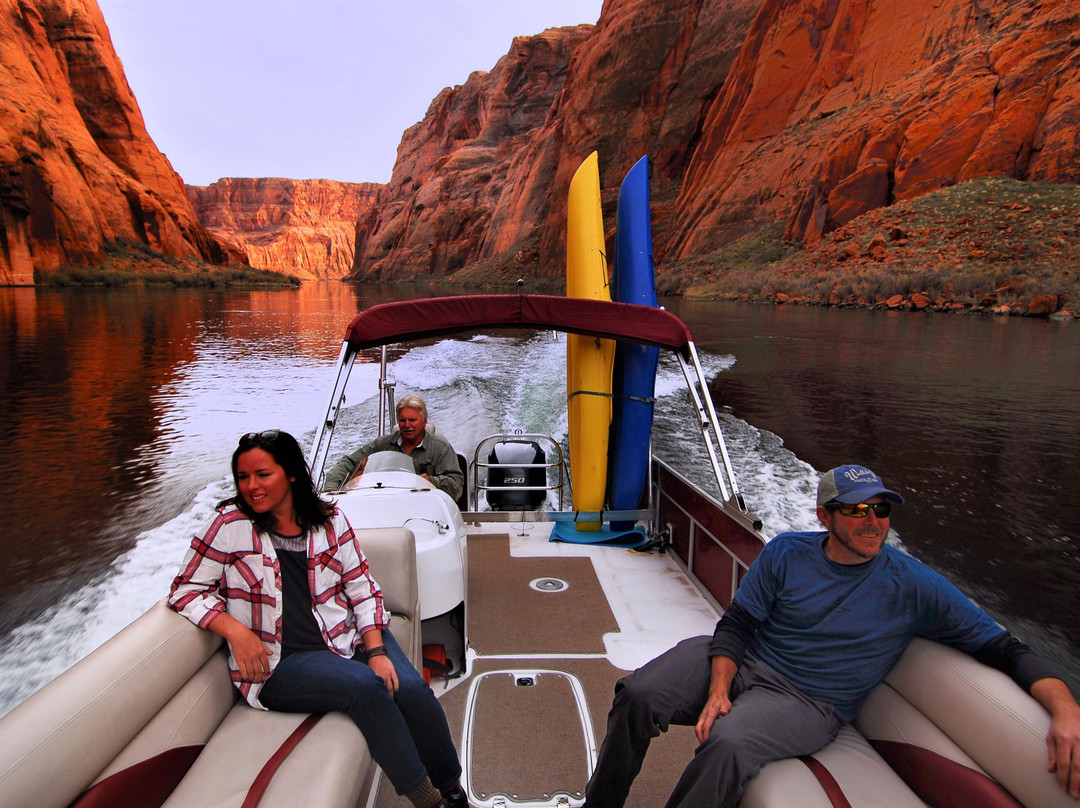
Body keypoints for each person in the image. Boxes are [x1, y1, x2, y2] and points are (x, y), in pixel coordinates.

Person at [583, 464, 1080, 807]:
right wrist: (718, 689)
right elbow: (736, 625)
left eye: (881, 510)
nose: (873, 521)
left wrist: (1066, 708)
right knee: (639, 694)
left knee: (728, 744)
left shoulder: (915, 586)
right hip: (746, 660)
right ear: (825, 517)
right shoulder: (785, 553)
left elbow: (1005, 648)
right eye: (857, 510)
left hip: (808, 701)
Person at [168, 429, 467, 808]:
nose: (251, 487)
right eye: (243, 477)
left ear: (291, 474)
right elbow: (185, 589)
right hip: (282, 662)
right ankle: (428, 801)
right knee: (365, 685)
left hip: (347, 635)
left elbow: (362, 587)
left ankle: (452, 788)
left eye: (263, 475)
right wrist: (235, 630)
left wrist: (375, 650)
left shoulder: (329, 520)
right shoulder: (228, 526)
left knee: (411, 690)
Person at [323, 395, 463, 500]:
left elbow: (455, 481)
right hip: (385, 501)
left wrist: (431, 481)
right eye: (403, 420)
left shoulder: (441, 448)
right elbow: (348, 462)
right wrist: (331, 489)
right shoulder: (383, 444)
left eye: (412, 420)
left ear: (424, 421)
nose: (407, 425)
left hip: (425, 503)